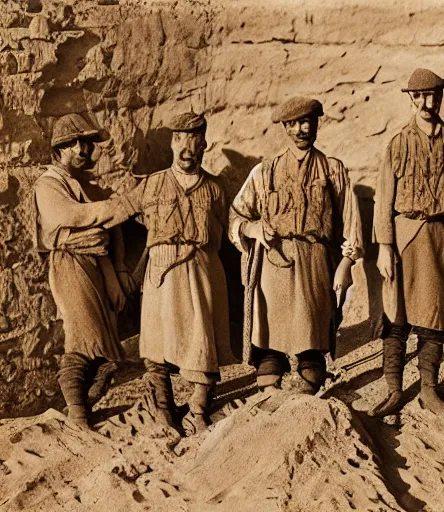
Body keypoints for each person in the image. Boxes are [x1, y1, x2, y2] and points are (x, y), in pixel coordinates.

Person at [229, 97, 363, 394]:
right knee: (270, 340)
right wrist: (251, 227)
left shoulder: (333, 170)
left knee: (311, 336)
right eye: (296, 123)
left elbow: (351, 221)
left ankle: (307, 388)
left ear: (316, 124)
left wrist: (346, 263)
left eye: (309, 122)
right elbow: (236, 214)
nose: (303, 129)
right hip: (273, 264)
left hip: (314, 262)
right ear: (286, 127)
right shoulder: (264, 172)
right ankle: (270, 390)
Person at [370, 68, 444, 419]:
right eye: (421, 96)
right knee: (396, 318)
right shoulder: (398, 143)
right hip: (403, 236)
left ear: (441, 97)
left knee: (435, 318)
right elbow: (383, 199)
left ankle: (429, 391)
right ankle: (394, 391)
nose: (428, 103)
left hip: (439, 237)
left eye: (434, 95)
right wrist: (384, 246)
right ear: (412, 99)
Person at [123, 112, 233, 433]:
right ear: (172, 143)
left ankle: (198, 410)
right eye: (181, 140)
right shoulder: (152, 184)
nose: (187, 149)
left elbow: (224, 232)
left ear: (204, 146)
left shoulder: (214, 188)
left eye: (194, 142)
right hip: (161, 272)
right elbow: (124, 215)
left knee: (202, 340)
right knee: (156, 343)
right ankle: (164, 410)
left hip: (201, 271)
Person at [34, 113, 137, 429]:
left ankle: (84, 405)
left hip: (95, 267)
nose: (81, 148)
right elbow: (73, 216)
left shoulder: (82, 183)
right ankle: (78, 414)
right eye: (72, 143)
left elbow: (109, 232)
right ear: (59, 149)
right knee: (81, 340)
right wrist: (117, 207)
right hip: (69, 268)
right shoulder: (48, 184)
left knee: (105, 343)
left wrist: (117, 272)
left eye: (86, 142)